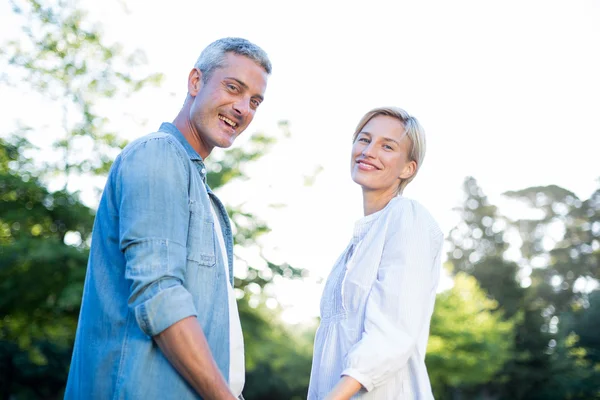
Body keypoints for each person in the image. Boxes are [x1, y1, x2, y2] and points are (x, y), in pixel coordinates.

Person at [64, 37, 272, 400]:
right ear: (195, 82)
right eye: (233, 88)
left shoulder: (198, 188)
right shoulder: (158, 155)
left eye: (254, 101)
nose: (243, 108)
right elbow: (160, 295)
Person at [307, 107, 443, 399]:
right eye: (364, 139)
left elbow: (393, 333)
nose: (369, 151)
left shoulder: (408, 216)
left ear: (408, 168)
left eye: (387, 146)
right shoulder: (354, 247)